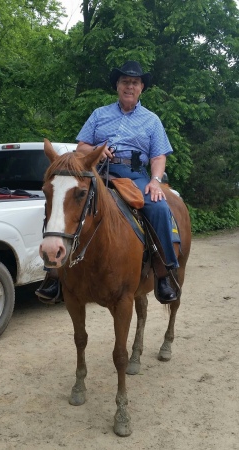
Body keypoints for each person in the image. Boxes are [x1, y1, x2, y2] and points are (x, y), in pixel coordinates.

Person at [36, 60, 180, 304]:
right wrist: (95, 150)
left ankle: (163, 272)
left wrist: (155, 181)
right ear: (117, 86)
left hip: (133, 175)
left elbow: (158, 156)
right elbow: (82, 146)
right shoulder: (99, 114)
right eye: (125, 82)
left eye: (134, 82)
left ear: (141, 87)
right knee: (62, 202)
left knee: (158, 207)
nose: (129, 86)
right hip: (96, 171)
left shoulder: (152, 120)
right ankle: (54, 274)